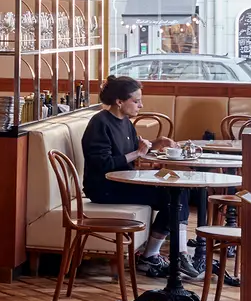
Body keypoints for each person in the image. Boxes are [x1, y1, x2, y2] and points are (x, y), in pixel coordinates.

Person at [81, 75, 196, 279]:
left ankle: (174, 254)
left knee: (180, 187)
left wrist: (157, 143)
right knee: (171, 197)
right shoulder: (99, 123)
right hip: (104, 188)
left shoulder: (125, 122)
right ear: (119, 102)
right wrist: (138, 154)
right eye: (136, 101)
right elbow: (103, 164)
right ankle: (158, 256)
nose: (140, 105)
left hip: (124, 181)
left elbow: (136, 149)